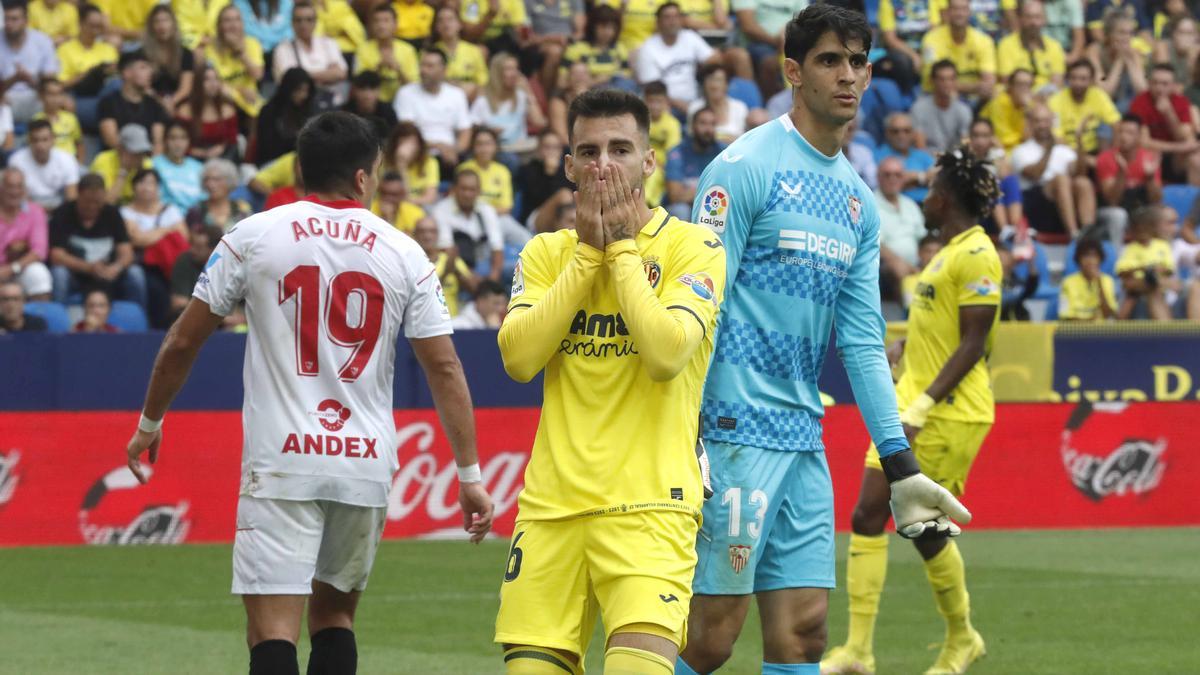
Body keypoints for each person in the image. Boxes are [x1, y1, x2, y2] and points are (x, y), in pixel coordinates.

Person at [123, 111, 494, 675]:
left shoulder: (254, 235)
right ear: (365, 178)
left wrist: (150, 423)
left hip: (281, 460)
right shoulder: (405, 252)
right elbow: (444, 367)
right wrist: (469, 476)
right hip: (364, 462)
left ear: (300, 171)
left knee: (272, 631)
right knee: (335, 618)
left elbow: (181, 342)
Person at [678, 7, 971, 675]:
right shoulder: (742, 167)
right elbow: (699, 309)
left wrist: (899, 460)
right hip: (731, 430)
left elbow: (864, 341)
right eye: (830, 60)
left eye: (858, 63)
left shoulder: (858, 203)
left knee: (806, 635)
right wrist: (686, 429)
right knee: (711, 638)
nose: (848, 75)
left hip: (803, 437)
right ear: (792, 71)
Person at [494, 85, 726, 675]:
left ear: (649, 161)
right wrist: (586, 259)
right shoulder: (547, 253)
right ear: (568, 165)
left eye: (620, 149)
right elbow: (518, 360)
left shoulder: (692, 247)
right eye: (589, 152)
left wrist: (620, 251)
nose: (604, 166)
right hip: (551, 512)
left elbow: (666, 353)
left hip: (651, 508)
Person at [822, 147, 1001, 675]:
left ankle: (960, 638)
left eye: (931, 190)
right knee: (870, 516)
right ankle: (859, 651)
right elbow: (943, 334)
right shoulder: (945, 254)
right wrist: (905, 352)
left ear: (944, 199)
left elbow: (974, 343)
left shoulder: (978, 254)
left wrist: (922, 403)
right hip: (913, 408)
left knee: (921, 527)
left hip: (948, 414)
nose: (924, 198)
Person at [49, 173, 147, 308]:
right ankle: (58, 318)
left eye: (98, 202)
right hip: (76, 275)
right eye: (88, 201)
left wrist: (116, 268)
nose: (92, 206)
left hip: (108, 274)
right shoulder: (63, 213)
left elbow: (126, 252)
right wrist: (88, 268)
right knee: (59, 274)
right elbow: (56, 255)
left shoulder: (112, 213)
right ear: (78, 195)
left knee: (136, 274)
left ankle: (139, 319)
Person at [1010, 104, 1094, 238]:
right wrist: (1049, 148)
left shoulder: (1062, 149)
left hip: (1062, 200)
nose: (1043, 125)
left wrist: (1079, 142)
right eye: (1038, 121)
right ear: (1031, 123)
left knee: (1083, 182)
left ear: (1052, 122)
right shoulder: (1021, 151)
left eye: (1046, 120)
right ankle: (1073, 233)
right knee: (1061, 179)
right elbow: (1035, 174)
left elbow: (1080, 172)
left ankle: (1088, 233)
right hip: (1035, 202)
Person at [635, 3, 719, 115]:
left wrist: (702, 69)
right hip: (665, 107)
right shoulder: (647, 48)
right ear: (658, 22)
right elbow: (654, 91)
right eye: (667, 17)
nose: (672, 21)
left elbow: (715, 60)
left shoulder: (690, 37)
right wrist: (686, 108)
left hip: (695, 101)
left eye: (676, 16)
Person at [395, 48, 472, 169]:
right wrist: (438, 146)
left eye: (429, 66)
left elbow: (465, 131)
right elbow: (408, 132)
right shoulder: (406, 93)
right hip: (418, 151)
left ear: (443, 70)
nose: (423, 70)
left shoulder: (457, 94)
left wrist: (455, 150)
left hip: (450, 153)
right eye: (422, 65)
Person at [1096, 114, 1163, 245]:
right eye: (1121, 132)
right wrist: (1121, 173)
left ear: (1138, 136)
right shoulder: (1106, 158)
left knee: (1161, 214)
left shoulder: (1148, 158)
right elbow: (1112, 200)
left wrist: (1149, 178)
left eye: (1130, 133)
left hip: (1138, 208)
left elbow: (1156, 199)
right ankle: (1118, 260)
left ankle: (1163, 258)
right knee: (1118, 215)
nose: (1124, 137)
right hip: (1108, 211)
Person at [1129, 64, 1200, 185]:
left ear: (1173, 86)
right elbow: (1144, 143)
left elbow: (1184, 137)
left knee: (1195, 159)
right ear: (1149, 83)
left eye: (1164, 84)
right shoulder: (1140, 103)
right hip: (1150, 154)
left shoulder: (1181, 102)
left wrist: (1169, 114)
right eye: (1155, 83)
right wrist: (1179, 147)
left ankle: (1195, 201)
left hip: (1176, 158)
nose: (1159, 88)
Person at [272, 0, 348, 106]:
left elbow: (341, 73)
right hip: (299, 106)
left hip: (332, 102)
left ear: (316, 21)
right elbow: (290, 80)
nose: (304, 24)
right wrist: (328, 73)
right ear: (292, 22)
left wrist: (306, 74)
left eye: (309, 20)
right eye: (299, 20)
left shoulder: (328, 43)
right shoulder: (283, 48)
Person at [430, 169, 503, 279]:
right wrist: (471, 279)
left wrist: (493, 278)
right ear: (454, 189)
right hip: (457, 269)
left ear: (479, 191)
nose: (467, 194)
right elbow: (447, 250)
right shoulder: (441, 211)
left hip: (485, 263)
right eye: (463, 189)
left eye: (472, 190)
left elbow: (497, 247)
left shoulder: (487, 210)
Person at [470, 52, 546, 156]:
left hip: (521, 149)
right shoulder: (483, 101)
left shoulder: (521, 96)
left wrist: (528, 91)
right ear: (497, 73)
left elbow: (539, 123)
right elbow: (473, 127)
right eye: (509, 69)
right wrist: (489, 131)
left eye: (516, 69)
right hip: (496, 151)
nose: (514, 73)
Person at [920, 0, 997, 100]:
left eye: (963, 9)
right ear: (947, 12)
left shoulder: (984, 41)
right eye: (955, 9)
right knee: (950, 96)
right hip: (939, 97)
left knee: (996, 95)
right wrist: (974, 87)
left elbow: (988, 81)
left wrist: (957, 86)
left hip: (976, 97)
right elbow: (933, 80)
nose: (959, 13)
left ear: (969, 12)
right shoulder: (931, 40)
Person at [875, 156, 928, 302]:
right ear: (878, 177)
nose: (892, 179)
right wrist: (905, 265)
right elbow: (877, 245)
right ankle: (909, 313)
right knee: (898, 268)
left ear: (903, 178)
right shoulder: (871, 205)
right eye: (887, 174)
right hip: (884, 267)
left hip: (914, 263)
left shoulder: (910, 204)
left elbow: (923, 238)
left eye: (897, 174)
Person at [97, 50, 170, 154]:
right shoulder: (108, 103)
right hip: (117, 159)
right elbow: (111, 140)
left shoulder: (154, 104)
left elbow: (158, 142)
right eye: (143, 67)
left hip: (146, 163)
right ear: (127, 73)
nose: (150, 72)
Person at [1, 0, 60, 124]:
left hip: (36, 95)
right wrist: (13, 80)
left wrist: (30, 80)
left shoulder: (43, 41)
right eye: (6, 19)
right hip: (4, 97)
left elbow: (50, 82)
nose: (9, 24)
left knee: (59, 99)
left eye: (14, 19)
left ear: (26, 20)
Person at [1048, 59, 1122, 158]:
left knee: (1106, 129)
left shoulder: (1098, 95)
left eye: (1083, 79)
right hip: (1067, 153)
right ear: (1068, 79)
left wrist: (1112, 154)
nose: (1078, 83)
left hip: (1095, 150)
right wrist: (1081, 159)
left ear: (1091, 80)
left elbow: (1116, 124)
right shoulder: (1055, 100)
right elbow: (1057, 138)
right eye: (1073, 78)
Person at [0, 167, 53, 300]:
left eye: (19, 186)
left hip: (19, 268)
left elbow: (39, 251)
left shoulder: (35, 211)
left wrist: (12, 268)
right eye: (10, 186)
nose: (15, 191)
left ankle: (39, 317)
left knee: (39, 274)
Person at [1116, 205, 1177, 320]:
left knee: (1154, 289)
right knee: (1131, 293)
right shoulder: (1129, 248)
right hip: (1136, 288)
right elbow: (1122, 272)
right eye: (1138, 229)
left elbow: (1169, 269)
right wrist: (1142, 268)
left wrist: (1156, 270)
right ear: (1133, 231)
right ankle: (1117, 330)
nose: (1142, 231)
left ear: (1151, 228)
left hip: (1158, 284)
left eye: (1145, 227)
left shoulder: (1162, 245)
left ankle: (1168, 330)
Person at [205, 4, 266, 118]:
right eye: (227, 20)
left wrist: (239, 51)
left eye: (237, 20)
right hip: (222, 98)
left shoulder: (252, 43)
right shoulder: (210, 49)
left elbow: (258, 75)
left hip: (251, 98)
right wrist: (240, 91)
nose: (233, 25)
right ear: (219, 26)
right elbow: (213, 83)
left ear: (242, 24)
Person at [665, 107, 725, 221]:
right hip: (685, 208)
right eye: (703, 123)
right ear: (692, 126)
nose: (708, 129)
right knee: (681, 210)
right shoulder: (678, 153)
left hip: (712, 206)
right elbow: (675, 196)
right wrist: (711, 192)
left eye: (712, 124)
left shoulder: (723, 152)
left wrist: (693, 192)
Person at [6, 118, 78, 210]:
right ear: (29, 140)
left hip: (60, 206)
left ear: (53, 139)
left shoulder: (67, 159)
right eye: (35, 140)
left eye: (45, 140)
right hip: (27, 208)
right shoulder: (16, 161)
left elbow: (71, 198)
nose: (40, 145)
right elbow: (17, 197)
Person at [410, 215, 475, 316]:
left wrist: (457, 272)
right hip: (423, 324)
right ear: (414, 234)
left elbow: (475, 289)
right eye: (422, 231)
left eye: (432, 231)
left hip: (453, 324)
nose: (427, 236)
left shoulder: (450, 259)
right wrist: (446, 273)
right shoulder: (410, 262)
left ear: (438, 234)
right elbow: (421, 296)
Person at [997, 0, 1066, 92]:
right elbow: (1005, 80)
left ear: (1044, 20)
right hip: (1016, 96)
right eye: (1028, 17)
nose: (1033, 22)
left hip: (1047, 97)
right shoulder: (1006, 44)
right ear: (1020, 19)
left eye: (1037, 17)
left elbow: (1057, 82)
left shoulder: (1054, 46)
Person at [1087, 8, 1149, 111]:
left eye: (1130, 33)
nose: (1127, 38)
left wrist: (1129, 61)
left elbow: (1143, 91)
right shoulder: (1094, 52)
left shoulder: (1133, 53)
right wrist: (1119, 61)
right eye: (1121, 33)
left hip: (1124, 102)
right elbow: (1104, 93)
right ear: (1109, 34)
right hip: (1100, 106)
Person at [355, 3, 418, 103]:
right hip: (374, 105)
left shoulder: (408, 50)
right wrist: (378, 68)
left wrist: (399, 71)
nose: (381, 25)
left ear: (395, 24)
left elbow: (414, 88)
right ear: (371, 25)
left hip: (403, 102)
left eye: (386, 20)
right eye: (376, 21)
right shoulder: (363, 49)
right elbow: (359, 85)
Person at [177, 64, 241, 162]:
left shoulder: (228, 110)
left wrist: (221, 148)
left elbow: (232, 141)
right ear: (197, 83)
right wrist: (198, 152)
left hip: (221, 159)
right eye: (207, 80)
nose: (213, 84)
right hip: (190, 160)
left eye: (216, 79)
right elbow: (176, 141)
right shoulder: (185, 110)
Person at [254, 67, 317, 166]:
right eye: (299, 90)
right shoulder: (270, 111)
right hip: (274, 162)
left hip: (302, 162)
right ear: (288, 88)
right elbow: (267, 147)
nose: (303, 95)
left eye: (306, 90)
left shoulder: (308, 109)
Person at [687, 63, 761, 145]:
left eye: (719, 80)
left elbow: (745, 140)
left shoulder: (739, 107)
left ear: (727, 85)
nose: (714, 85)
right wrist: (726, 138)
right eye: (710, 80)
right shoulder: (695, 107)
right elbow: (692, 139)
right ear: (704, 84)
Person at [911, 60, 975, 155]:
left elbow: (966, 144)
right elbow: (920, 148)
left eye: (951, 79)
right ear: (932, 81)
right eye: (942, 79)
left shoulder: (963, 110)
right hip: (927, 161)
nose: (947, 84)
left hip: (954, 161)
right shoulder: (918, 108)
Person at [143, 5, 195, 117]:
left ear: (173, 24)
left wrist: (171, 102)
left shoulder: (185, 53)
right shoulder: (142, 54)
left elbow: (186, 88)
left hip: (178, 101)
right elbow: (144, 87)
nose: (162, 26)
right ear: (151, 27)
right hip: (151, 101)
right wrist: (162, 103)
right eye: (157, 21)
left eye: (166, 20)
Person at [561, 4, 629, 89]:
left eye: (612, 28)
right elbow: (561, 83)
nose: (608, 32)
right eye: (603, 27)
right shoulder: (576, 49)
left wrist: (607, 78)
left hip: (614, 94)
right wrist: (593, 82)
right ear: (593, 27)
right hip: (583, 94)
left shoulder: (620, 49)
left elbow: (626, 77)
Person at [516, 128, 573, 231]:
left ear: (561, 151)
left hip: (565, 215)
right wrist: (549, 175)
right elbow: (537, 198)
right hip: (535, 217)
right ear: (539, 149)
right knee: (564, 195)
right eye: (547, 147)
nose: (551, 151)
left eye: (555, 147)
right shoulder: (528, 169)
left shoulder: (566, 170)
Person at [876, 112, 937, 204]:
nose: (901, 136)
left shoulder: (921, 155)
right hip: (895, 207)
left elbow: (937, 178)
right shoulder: (879, 155)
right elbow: (889, 184)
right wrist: (923, 178)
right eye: (895, 131)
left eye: (906, 131)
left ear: (913, 133)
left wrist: (913, 179)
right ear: (887, 133)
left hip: (927, 205)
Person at [877, 0, 936, 94]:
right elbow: (890, 39)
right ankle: (907, 97)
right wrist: (914, 56)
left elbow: (934, 30)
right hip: (900, 50)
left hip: (926, 46)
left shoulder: (929, 1)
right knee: (903, 61)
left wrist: (924, 52)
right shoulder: (888, 2)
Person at [431, 5, 487, 102]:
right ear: (436, 27)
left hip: (471, 99)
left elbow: (483, 82)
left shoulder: (474, 51)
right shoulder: (430, 52)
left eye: (450, 19)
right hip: (439, 101)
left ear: (459, 24)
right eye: (441, 21)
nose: (446, 24)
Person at [169, 224, 223, 321]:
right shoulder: (185, 260)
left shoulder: (229, 266)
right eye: (192, 244)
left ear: (214, 250)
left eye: (198, 247)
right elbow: (179, 303)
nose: (192, 250)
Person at [152, 121, 206, 214]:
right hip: (165, 219)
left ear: (189, 141)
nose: (178, 143)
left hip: (196, 220)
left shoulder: (199, 168)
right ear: (165, 141)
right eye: (173, 138)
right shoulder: (154, 164)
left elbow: (204, 200)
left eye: (183, 138)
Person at [1058, 238, 1117, 321]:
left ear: (1100, 259)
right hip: (1074, 332)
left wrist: (1099, 283)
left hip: (1100, 331)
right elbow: (1066, 317)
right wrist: (1090, 321)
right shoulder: (1068, 282)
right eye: (1086, 256)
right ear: (1078, 259)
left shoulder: (1107, 281)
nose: (1090, 260)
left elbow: (1107, 315)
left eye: (1094, 256)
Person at [186, 158, 254, 231]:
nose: (210, 184)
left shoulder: (242, 208)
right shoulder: (196, 210)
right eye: (206, 179)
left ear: (229, 181)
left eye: (216, 179)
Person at [383, 122, 439, 207]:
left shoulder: (430, 162)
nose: (408, 148)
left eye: (412, 143)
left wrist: (408, 201)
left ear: (420, 145)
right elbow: (390, 195)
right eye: (403, 143)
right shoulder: (384, 162)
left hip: (417, 209)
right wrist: (401, 165)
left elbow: (430, 198)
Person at [979, 67, 1034, 150]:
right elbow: (1003, 139)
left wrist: (1027, 110)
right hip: (997, 149)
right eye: (1020, 84)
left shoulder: (1029, 105)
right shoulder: (998, 103)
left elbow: (1030, 137)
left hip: (1019, 148)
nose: (1024, 89)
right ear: (1010, 86)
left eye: (1028, 85)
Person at [32, 77, 84, 162]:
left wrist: (79, 163)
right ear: (41, 96)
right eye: (51, 94)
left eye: (59, 94)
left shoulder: (71, 118)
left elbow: (79, 144)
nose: (55, 99)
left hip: (71, 163)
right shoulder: (36, 120)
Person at [341, 70, 398, 137]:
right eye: (362, 88)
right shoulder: (344, 112)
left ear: (379, 91)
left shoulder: (388, 111)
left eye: (372, 88)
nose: (367, 95)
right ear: (354, 91)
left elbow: (393, 137)